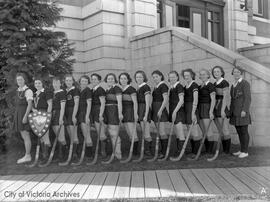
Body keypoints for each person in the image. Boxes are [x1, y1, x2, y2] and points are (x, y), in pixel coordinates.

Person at [230, 66, 251, 158]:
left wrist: (244, 110)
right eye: (234, 72)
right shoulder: (233, 84)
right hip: (235, 112)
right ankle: (242, 150)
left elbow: (248, 98)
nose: (236, 73)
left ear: (241, 73)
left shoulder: (245, 83)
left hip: (242, 111)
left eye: (238, 72)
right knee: (239, 131)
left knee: (244, 131)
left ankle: (245, 151)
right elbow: (232, 99)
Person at [14, 73, 33, 164]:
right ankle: (27, 155)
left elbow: (30, 105)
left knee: (26, 135)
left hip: (24, 114)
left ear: (24, 80)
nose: (19, 81)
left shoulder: (28, 91)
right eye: (18, 80)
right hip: (19, 114)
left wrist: (25, 116)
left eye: (21, 79)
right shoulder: (18, 90)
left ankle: (28, 155)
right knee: (23, 135)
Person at [32, 78, 53, 161]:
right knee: (40, 135)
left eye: (39, 83)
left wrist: (47, 115)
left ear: (42, 84)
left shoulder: (46, 92)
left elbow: (50, 105)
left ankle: (47, 156)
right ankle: (44, 154)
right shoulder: (35, 94)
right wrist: (34, 110)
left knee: (45, 135)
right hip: (37, 115)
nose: (37, 85)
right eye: (36, 83)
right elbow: (34, 106)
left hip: (44, 113)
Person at [212, 66, 231, 154]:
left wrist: (223, 110)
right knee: (220, 130)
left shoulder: (224, 82)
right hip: (215, 107)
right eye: (214, 72)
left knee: (225, 129)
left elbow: (225, 98)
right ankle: (224, 150)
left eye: (218, 71)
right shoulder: (214, 83)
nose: (216, 73)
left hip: (221, 107)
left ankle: (227, 151)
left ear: (222, 72)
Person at [119, 72, 139, 156]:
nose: (123, 80)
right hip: (124, 112)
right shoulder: (121, 89)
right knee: (128, 132)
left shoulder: (131, 89)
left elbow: (135, 103)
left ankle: (135, 152)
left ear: (128, 79)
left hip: (130, 111)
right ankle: (132, 149)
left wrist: (135, 114)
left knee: (132, 132)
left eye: (124, 78)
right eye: (121, 78)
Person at [182, 69, 201, 155]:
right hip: (186, 109)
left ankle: (196, 152)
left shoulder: (194, 85)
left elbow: (196, 100)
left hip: (192, 108)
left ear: (192, 75)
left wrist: (193, 113)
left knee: (194, 131)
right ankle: (193, 150)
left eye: (188, 75)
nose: (186, 77)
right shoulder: (185, 86)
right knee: (190, 129)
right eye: (185, 75)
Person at [104, 73, 123, 160]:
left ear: (115, 80)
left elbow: (119, 102)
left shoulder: (117, 88)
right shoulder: (108, 89)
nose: (110, 80)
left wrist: (120, 113)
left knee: (114, 133)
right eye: (108, 79)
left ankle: (118, 153)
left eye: (112, 79)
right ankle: (114, 152)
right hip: (108, 112)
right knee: (111, 133)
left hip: (113, 112)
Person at [151, 70, 169, 158]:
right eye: (153, 77)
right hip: (155, 108)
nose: (155, 78)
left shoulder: (163, 85)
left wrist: (160, 110)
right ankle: (162, 150)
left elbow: (165, 99)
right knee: (159, 131)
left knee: (162, 131)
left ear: (161, 76)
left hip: (159, 109)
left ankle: (164, 152)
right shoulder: (156, 86)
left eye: (156, 76)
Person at [134, 70, 152, 156]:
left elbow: (148, 103)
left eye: (140, 77)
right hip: (140, 109)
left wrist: (146, 115)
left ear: (144, 77)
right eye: (137, 77)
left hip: (144, 109)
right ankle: (146, 149)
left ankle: (148, 151)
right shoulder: (139, 87)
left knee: (146, 131)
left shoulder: (146, 87)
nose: (138, 78)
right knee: (143, 131)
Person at [198, 69, 216, 154]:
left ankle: (210, 151)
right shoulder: (200, 86)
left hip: (207, 108)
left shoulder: (210, 85)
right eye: (201, 74)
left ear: (208, 75)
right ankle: (206, 149)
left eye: (204, 74)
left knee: (208, 130)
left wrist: (211, 111)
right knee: (203, 131)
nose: (202, 76)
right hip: (200, 108)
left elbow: (213, 99)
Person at [168, 71, 185, 155]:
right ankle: (179, 150)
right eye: (170, 77)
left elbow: (181, 101)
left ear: (177, 77)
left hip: (178, 112)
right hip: (173, 111)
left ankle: (182, 152)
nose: (172, 79)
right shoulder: (172, 87)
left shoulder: (179, 86)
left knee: (180, 131)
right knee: (177, 132)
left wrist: (175, 111)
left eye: (173, 77)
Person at [64, 75, 80, 160]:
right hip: (66, 113)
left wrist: (74, 116)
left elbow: (76, 104)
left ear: (72, 81)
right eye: (67, 80)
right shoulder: (65, 91)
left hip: (72, 112)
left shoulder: (75, 90)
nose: (68, 82)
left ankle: (75, 153)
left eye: (70, 80)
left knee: (74, 134)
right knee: (70, 133)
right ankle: (72, 151)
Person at [90, 73, 106, 158]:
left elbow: (103, 103)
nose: (93, 81)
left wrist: (101, 114)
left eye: (95, 79)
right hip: (93, 110)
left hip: (98, 110)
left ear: (99, 80)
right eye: (92, 79)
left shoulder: (100, 89)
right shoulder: (93, 90)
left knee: (101, 131)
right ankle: (101, 149)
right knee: (98, 131)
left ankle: (103, 151)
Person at [77, 75, 93, 158]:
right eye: (82, 81)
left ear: (88, 83)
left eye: (86, 81)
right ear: (80, 82)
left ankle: (89, 154)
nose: (83, 83)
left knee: (87, 134)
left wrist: (87, 116)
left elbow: (89, 104)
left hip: (85, 114)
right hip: (79, 113)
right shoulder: (79, 90)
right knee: (82, 133)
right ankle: (85, 152)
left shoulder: (88, 90)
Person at [51, 76, 66, 161]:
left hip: (59, 114)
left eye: (57, 82)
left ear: (60, 84)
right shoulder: (53, 93)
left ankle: (62, 156)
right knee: (57, 135)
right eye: (54, 83)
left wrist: (61, 118)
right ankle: (60, 154)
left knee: (61, 136)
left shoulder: (61, 93)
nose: (55, 84)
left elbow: (63, 107)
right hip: (53, 115)